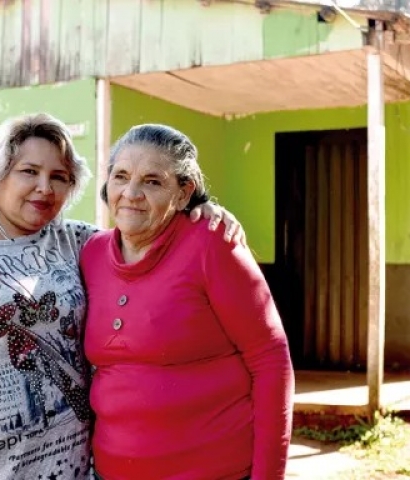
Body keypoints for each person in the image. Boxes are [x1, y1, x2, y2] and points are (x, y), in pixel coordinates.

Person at [0, 113, 244, 480]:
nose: (44, 188)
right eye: (29, 171)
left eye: (59, 177)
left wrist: (199, 209)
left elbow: (149, 229)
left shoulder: (81, 242)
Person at [81, 124, 294, 480]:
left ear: (183, 194)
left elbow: (271, 359)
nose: (131, 193)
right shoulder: (90, 253)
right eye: (120, 176)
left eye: (152, 181)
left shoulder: (212, 244)